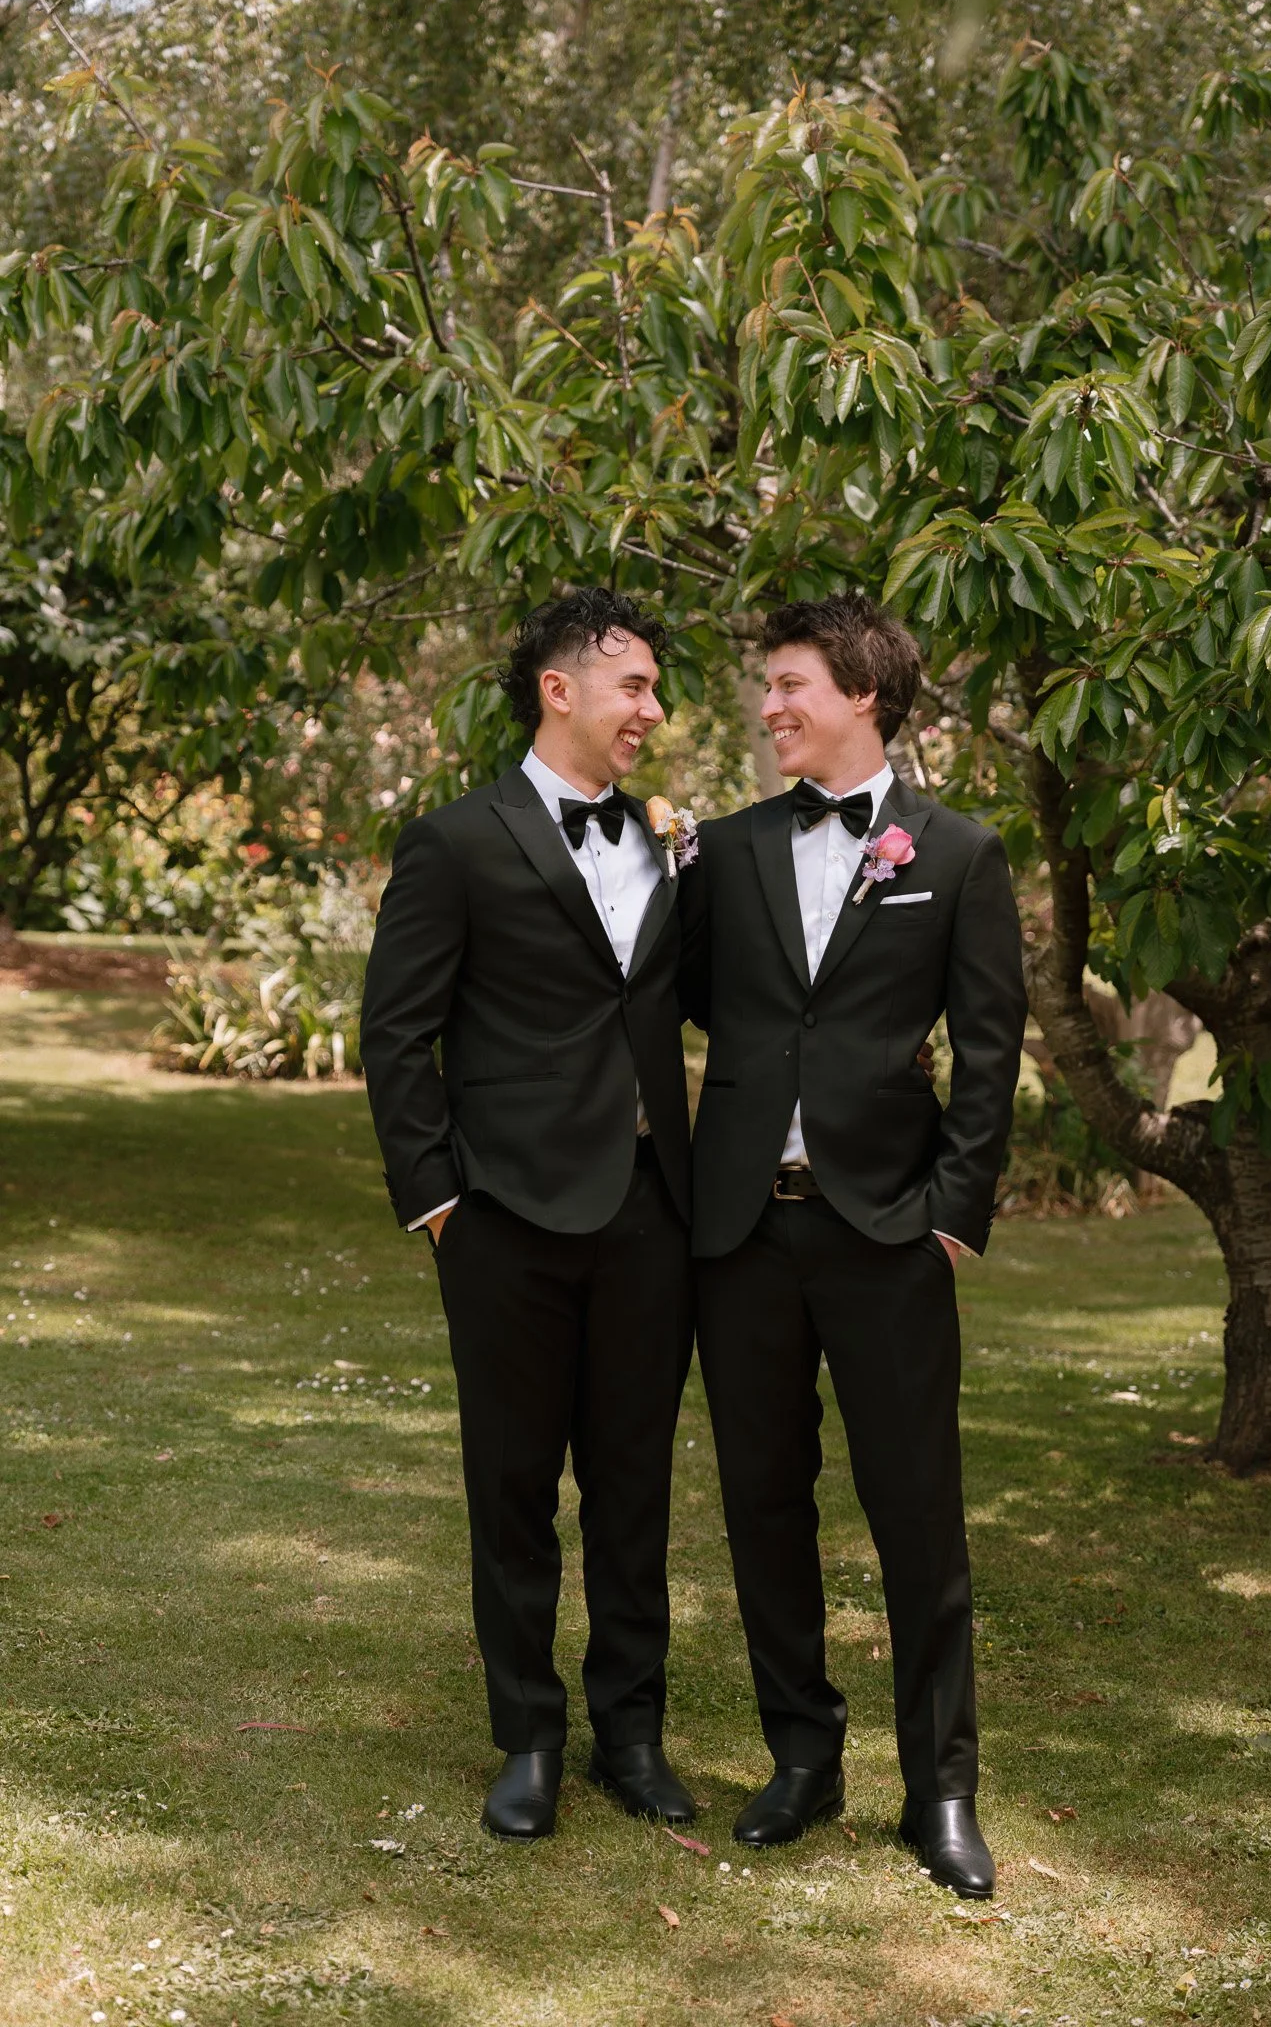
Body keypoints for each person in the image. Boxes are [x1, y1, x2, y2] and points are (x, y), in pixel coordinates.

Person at [680, 592, 1027, 1898]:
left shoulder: (960, 851)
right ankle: (801, 1760)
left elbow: (988, 1049)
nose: (769, 706)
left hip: (888, 1237)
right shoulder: (724, 848)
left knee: (917, 1519)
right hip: (741, 1235)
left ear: (862, 693)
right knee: (763, 1504)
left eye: (788, 685)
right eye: (766, 687)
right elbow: (689, 1004)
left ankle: (941, 1791)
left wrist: (950, 1216)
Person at [359, 588, 696, 1841]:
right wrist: (442, 1201)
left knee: (634, 1484)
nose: (653, 712)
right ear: (560, 689)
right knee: (511, 1484)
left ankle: (634, 1733)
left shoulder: (671, 841)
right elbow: (396, 1035)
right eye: (637, 688)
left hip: (652, 1213)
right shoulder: (453, 842)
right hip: (501, 1215)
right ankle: (530, 1736)